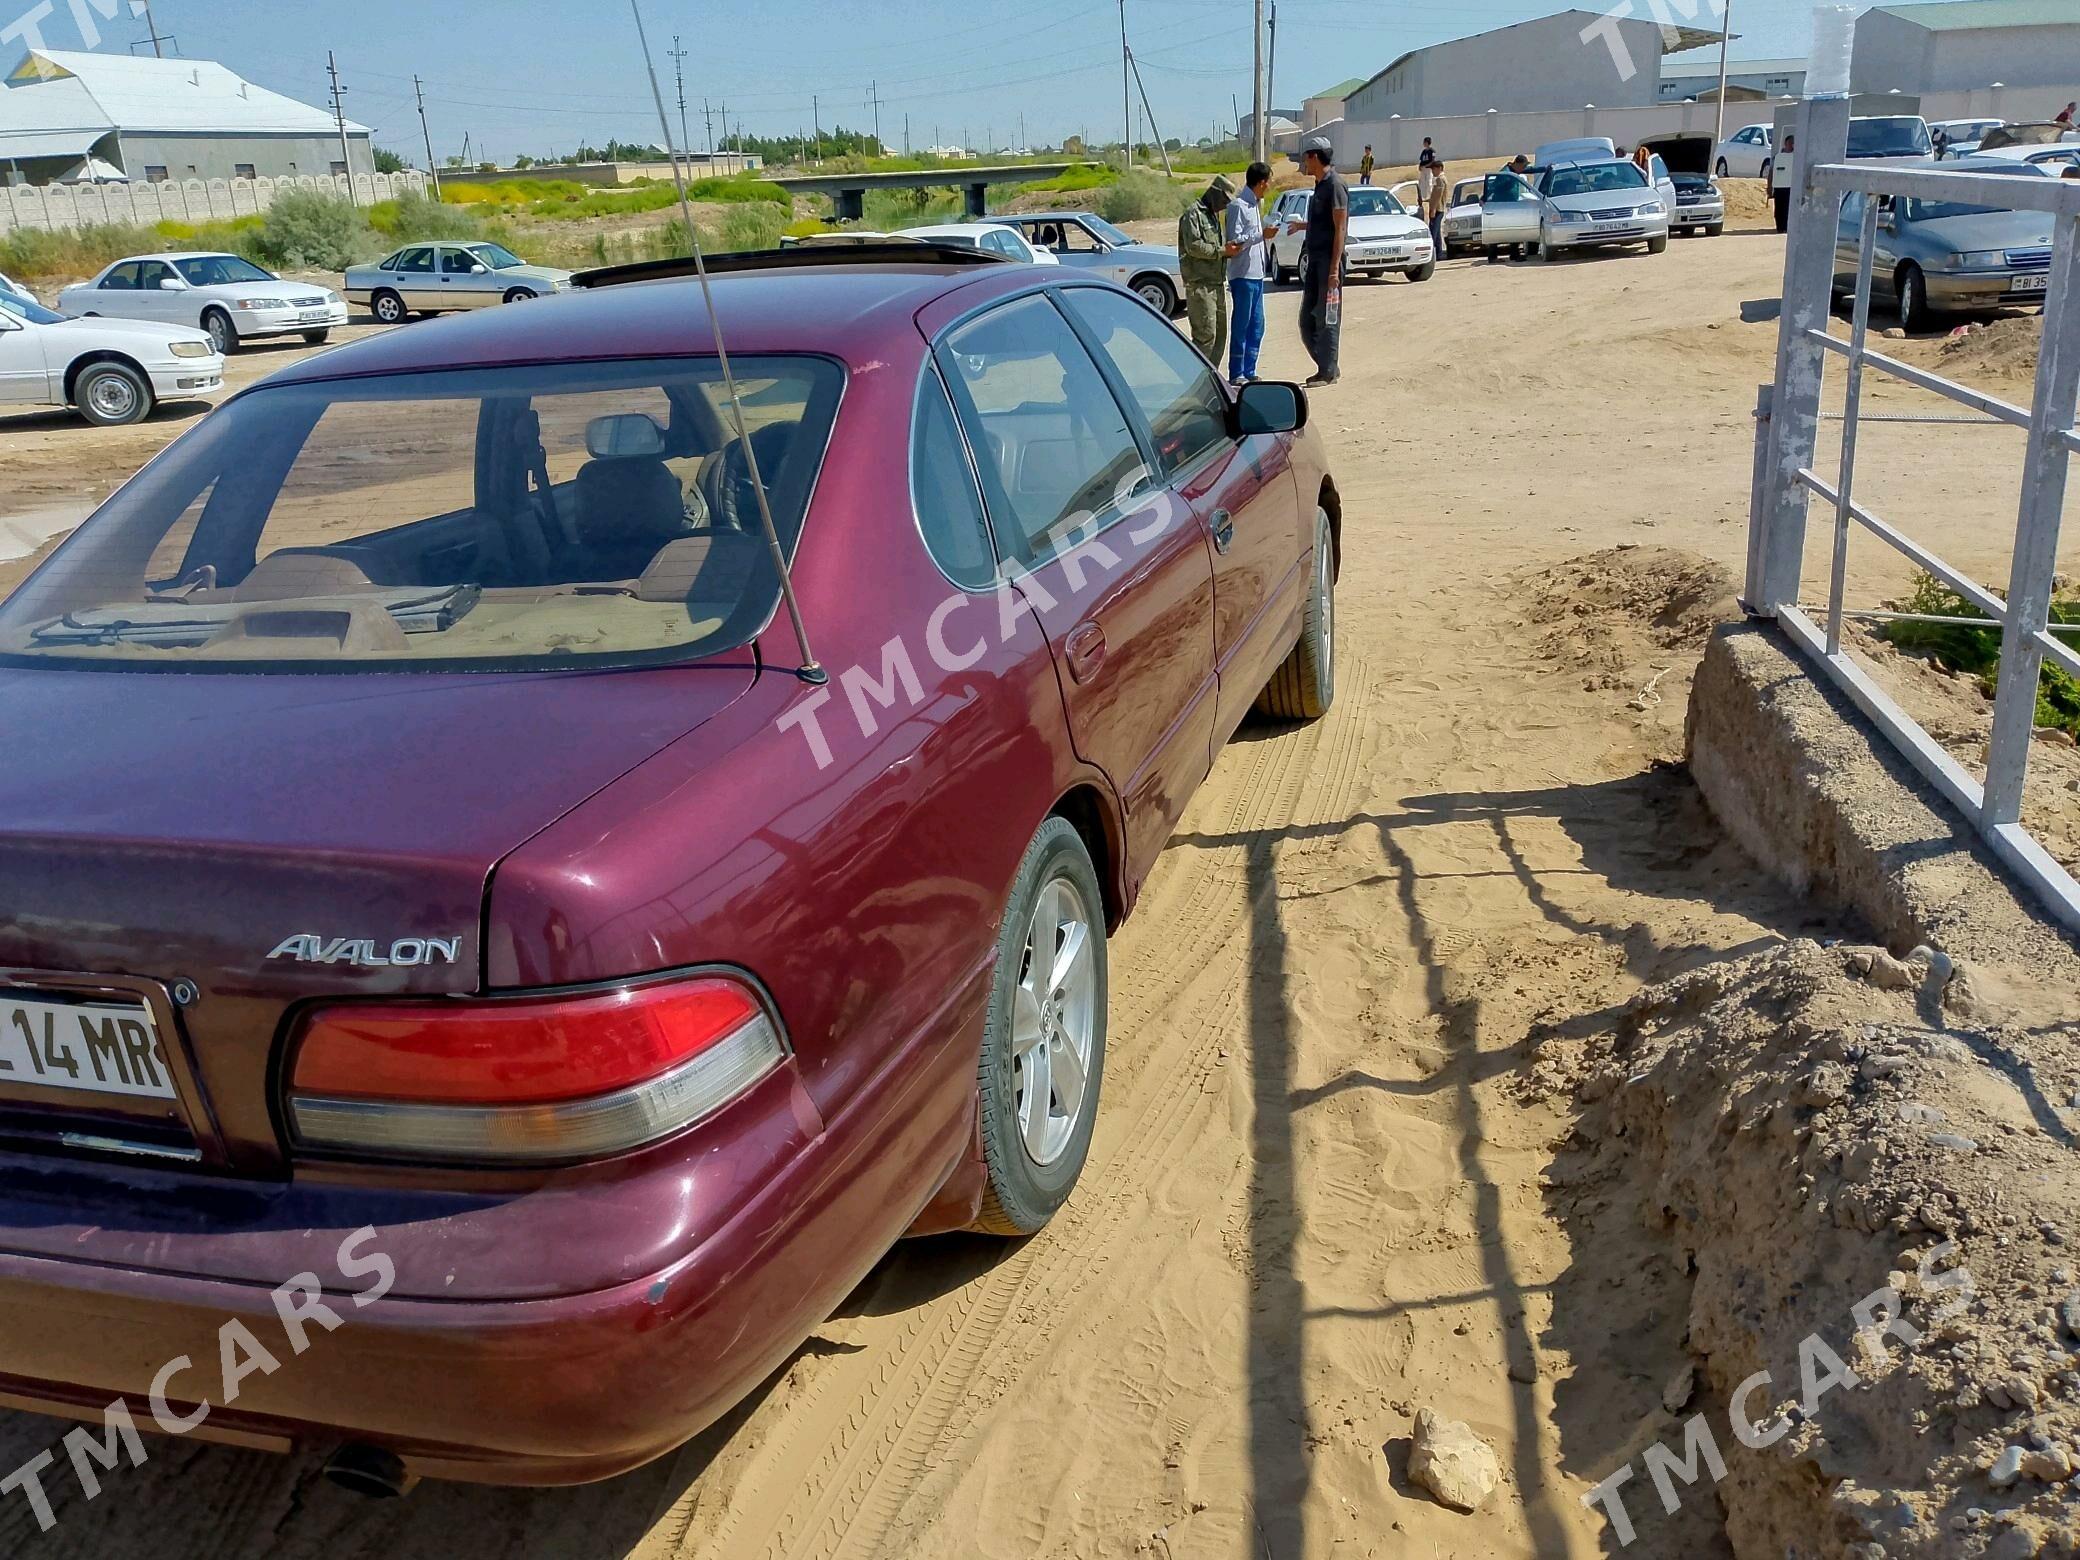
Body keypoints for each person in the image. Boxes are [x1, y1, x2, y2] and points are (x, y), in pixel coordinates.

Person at [1285, 135, 1347, 386]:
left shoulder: (1335, 185)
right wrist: (1304, 226)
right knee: (1306, 320)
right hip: (1315, 261)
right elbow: (1324, 224)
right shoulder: (1320, 185)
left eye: (1305, 158)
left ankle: (1328, 371)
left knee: (1327, 317)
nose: (1303, 163)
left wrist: (1333, 270)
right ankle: (1328, 364)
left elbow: (1340, 228)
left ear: (1314, 157)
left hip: (1329, 264)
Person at [1178, 173, 1234, 366]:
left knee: (1220, 336)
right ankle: (1198, 382)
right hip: (1200, 286)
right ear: (1214, 193)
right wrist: (1222, 251)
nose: (1225, 205)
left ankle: (1213, 379)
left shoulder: (1212, 216)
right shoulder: (1193, 214)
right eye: (1224, 200)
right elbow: (1193, 246)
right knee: (1205, 337)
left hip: (1216, 284)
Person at [1225, 161, 1271, 382]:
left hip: (1257, 274)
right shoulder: (1238, 207)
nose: (1269, 187)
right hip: (1242, 276)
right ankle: (1236, 373)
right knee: (1241, 325)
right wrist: (1261, 235)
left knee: (1257, 325)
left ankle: (1250, 370)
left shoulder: (1255, 206)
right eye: (1268, 183)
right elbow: (1234, 241)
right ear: (1261, 183)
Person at [1424, 157, 1448, 251]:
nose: (1432, 171)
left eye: (1433, 169)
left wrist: (1433, 209)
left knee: (1433, 232)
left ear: (1439, 168)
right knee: (1437, 233)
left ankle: (1432, 252)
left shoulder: (1440, 179)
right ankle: (1438, 252)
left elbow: (1438, 196)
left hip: (1437, 210)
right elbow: (1434, 196)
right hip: (1437, 209)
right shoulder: (1440, 179)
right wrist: (1425, 200)